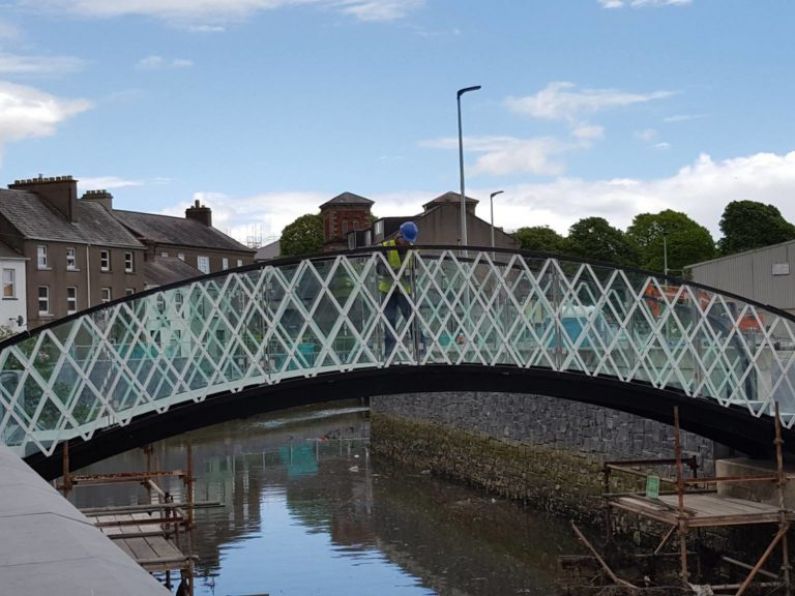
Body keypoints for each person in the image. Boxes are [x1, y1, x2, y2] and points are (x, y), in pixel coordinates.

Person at [378, 221, 422, 358]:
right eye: (406, 241)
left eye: (410, 241)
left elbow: (417, 270)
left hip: (405, 289)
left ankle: (420, 352)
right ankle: (389, 356)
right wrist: (392, 271)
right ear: (399, 236)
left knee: (412, 321)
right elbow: (378, 268)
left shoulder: (413, 250)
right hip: (388, 290)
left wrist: (408, 273)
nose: (407, 244)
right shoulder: (385, 247)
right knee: (389, 323)